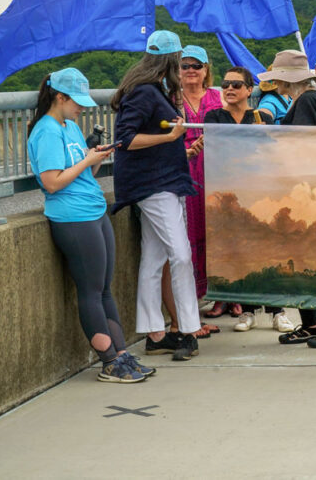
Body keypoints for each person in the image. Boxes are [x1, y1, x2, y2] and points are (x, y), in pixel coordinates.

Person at [27, 68, 154, 382]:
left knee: (104, 290)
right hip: (72, 217)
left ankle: (122, 354)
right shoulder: (46, 131)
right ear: (60, 96)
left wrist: (94, 157)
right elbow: (52, 183)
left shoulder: (68, 125)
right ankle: (108, 362)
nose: (82, 107)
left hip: (93, 210)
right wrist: (85, 160)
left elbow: (84, 173)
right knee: (91, 291)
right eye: (77, 101)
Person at [111, 30, 201, 362]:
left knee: (154, 258)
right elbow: (126, 140)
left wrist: (175, 141)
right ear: (172, 60)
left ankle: (155, 333)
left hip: (158, 182)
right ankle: (189, 331)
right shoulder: (146, 93)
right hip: (155, 185)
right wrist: (170, 137)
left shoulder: (148, 90)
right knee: (180, 255)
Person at [258, 50, 316, 349]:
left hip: (305, 189)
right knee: (297, 259)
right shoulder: (305, 100)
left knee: (310, 260)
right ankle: (312, 323)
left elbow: (302, 145)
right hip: (302, 188)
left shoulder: (307, 100)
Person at [202, 66, 296, 334]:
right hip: (228, 193)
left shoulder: (260, 117)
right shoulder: (214, 117)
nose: (229, 89)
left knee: (268, 250)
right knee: (239, 252)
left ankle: (278, 311)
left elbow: (271, 153)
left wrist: (262, 133)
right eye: (225, 84)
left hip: (259, 191)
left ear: (248, 89)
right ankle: (248, 311)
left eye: (235, 84)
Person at [177, 44, 231, 327]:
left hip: (217, 169)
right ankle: (194, 295)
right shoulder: (172, 99)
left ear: (206, 69)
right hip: (186, 169)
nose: (191, 71)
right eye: (185, 66)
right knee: (190, 231)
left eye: (196, 66)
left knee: (220, 228)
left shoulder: (218, 96)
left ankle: (226, 295)